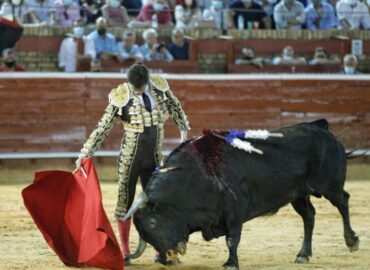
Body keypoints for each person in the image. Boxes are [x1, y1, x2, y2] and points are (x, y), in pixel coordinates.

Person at [74, 63, 190, 265]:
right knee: (124, 201)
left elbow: (177, 109)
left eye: (140, 87)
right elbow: (104, 126)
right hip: (130, 157)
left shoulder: (159, 88)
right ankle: (125, 251)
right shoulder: (121, 95)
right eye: (134, 87)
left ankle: (160, 250)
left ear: (147, 82)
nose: (137, 91)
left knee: (156, 203)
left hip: (154, 157)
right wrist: (86, 152)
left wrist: (183, 140)